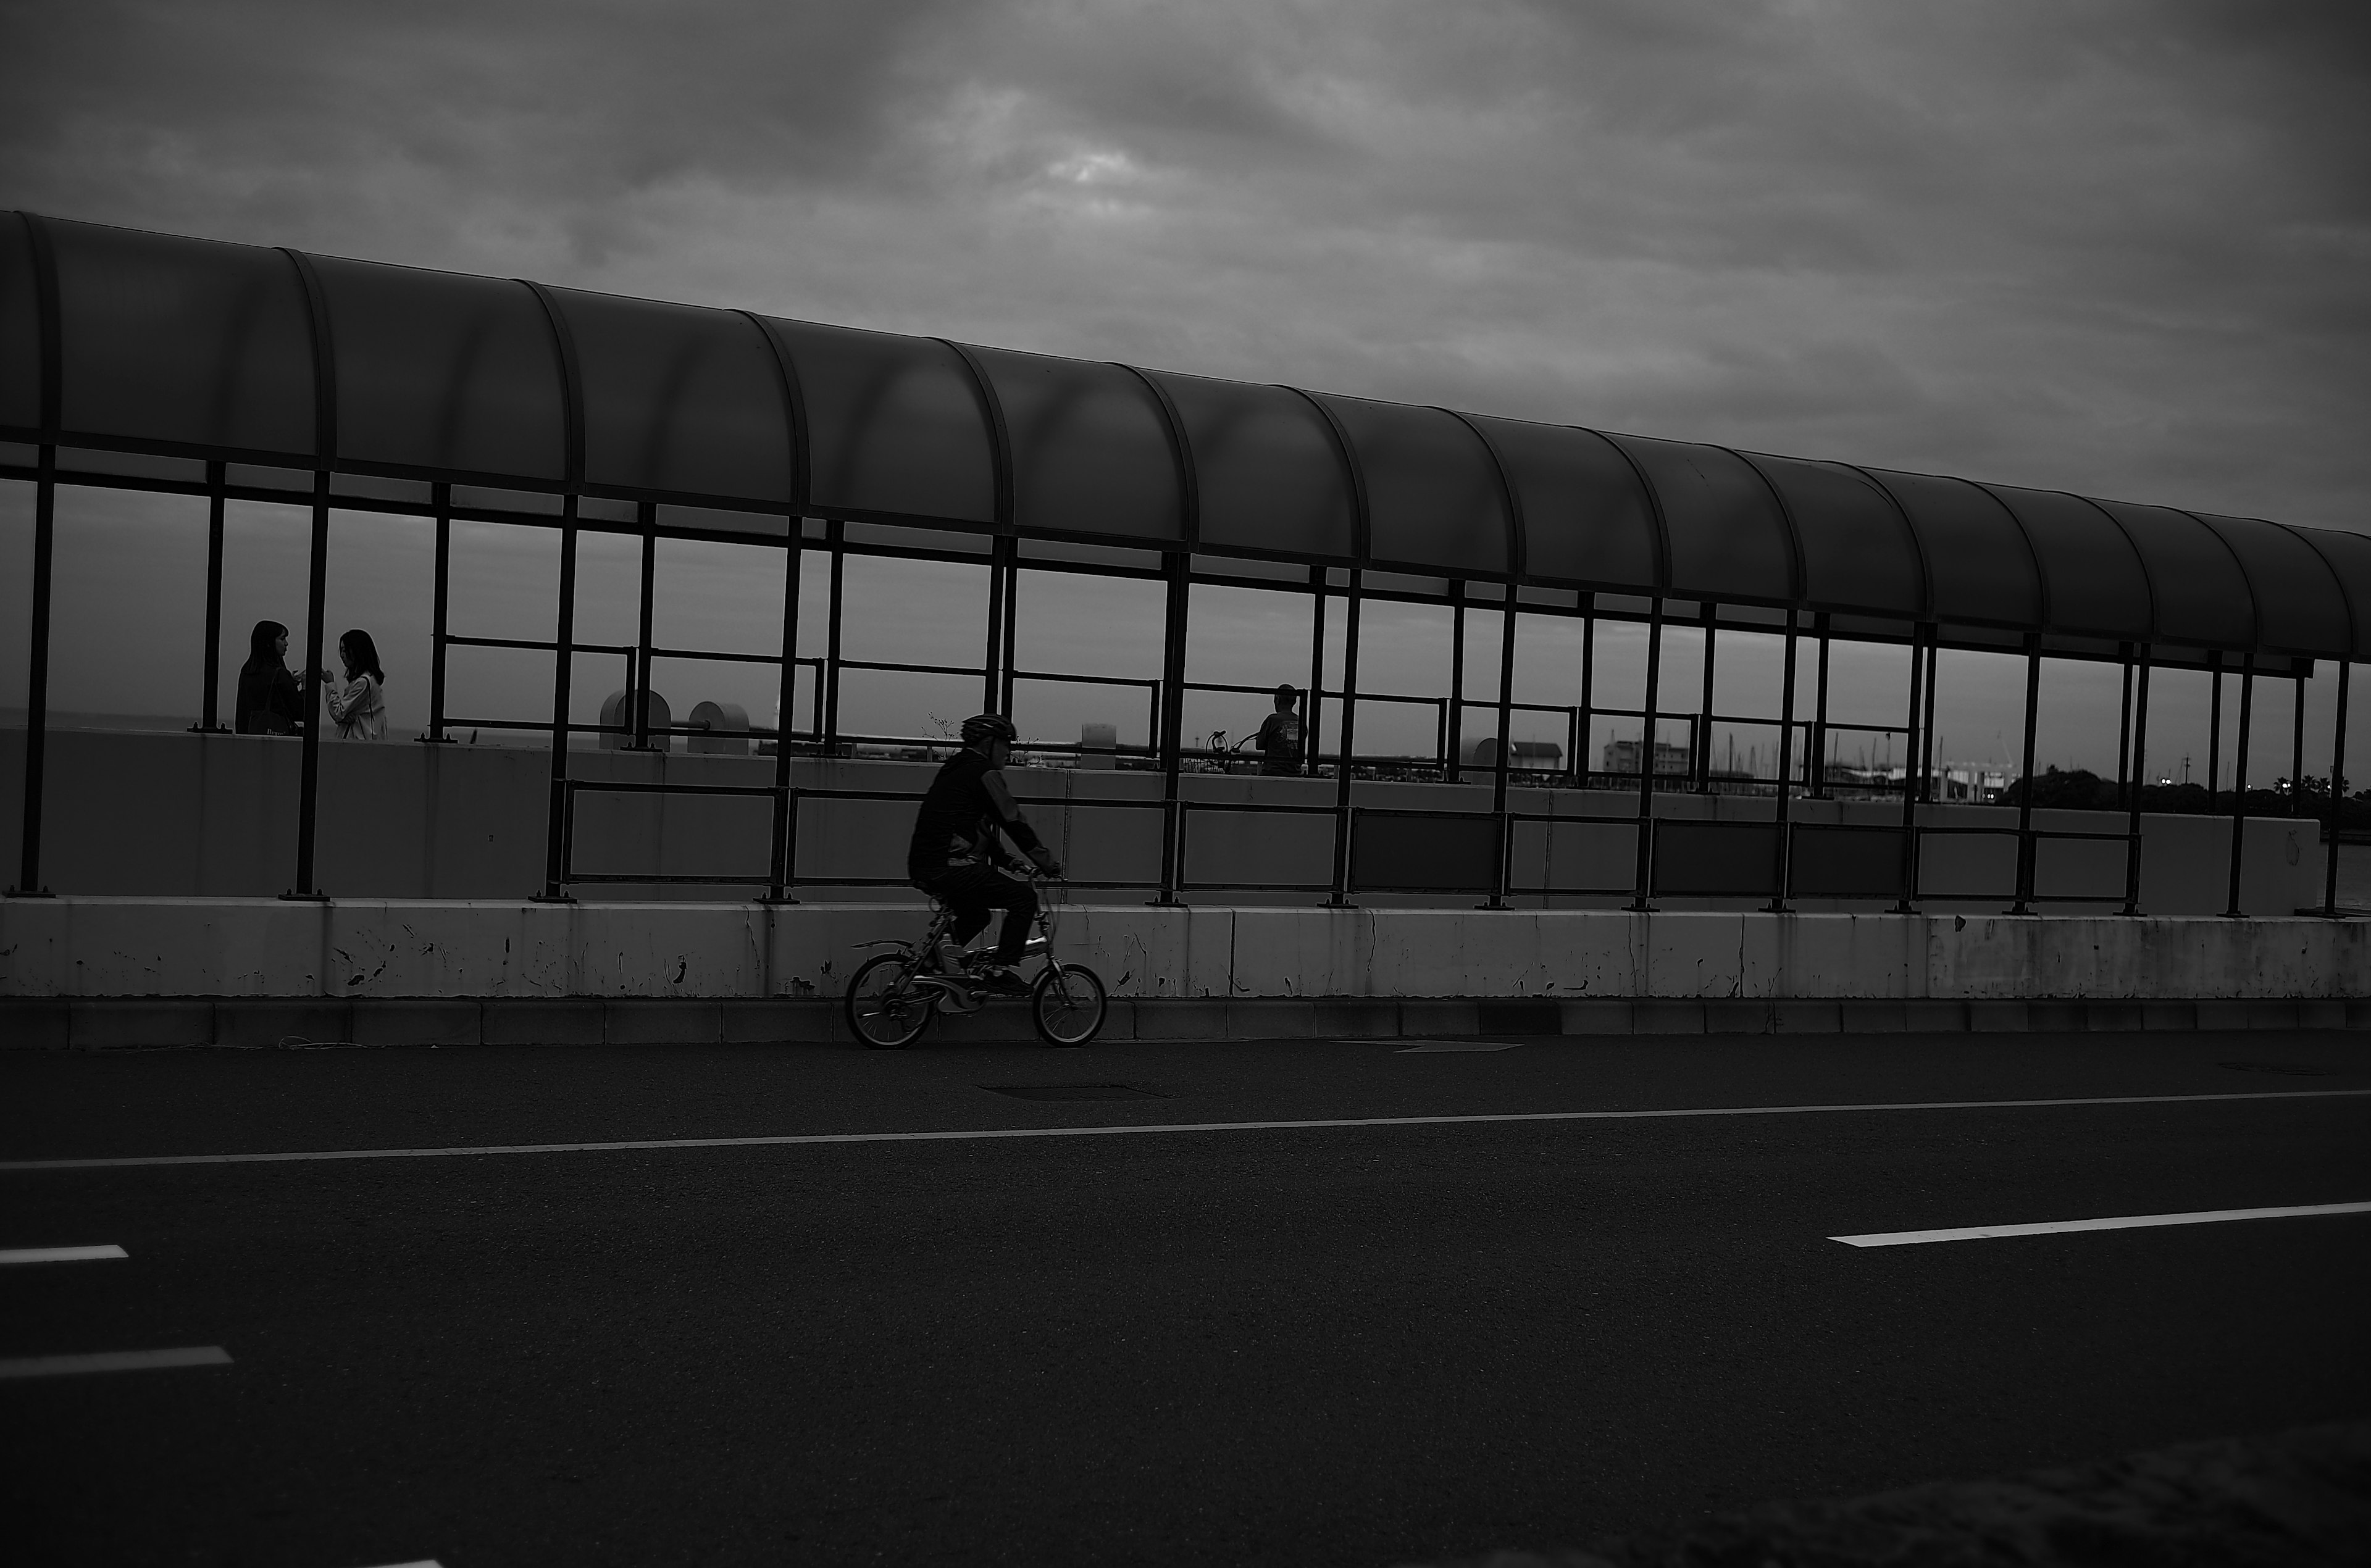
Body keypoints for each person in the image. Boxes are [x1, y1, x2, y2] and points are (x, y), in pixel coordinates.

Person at [906, 714, 1062, 994]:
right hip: (951, 867)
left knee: (977, 916)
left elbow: (974, 828)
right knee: (1024, 899)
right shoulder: (985, 773)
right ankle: (999, 970)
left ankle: (931, 962)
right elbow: (1013, 821)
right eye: (1006, 744)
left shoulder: (955, 768)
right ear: (989, 743)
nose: (1009, 751)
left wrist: (1009, 861)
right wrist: (1047, 863)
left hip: (925, 865)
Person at [233, 620, 304, 735]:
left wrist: (289, 681)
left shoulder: (247, 671)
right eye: (282, 639)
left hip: (247, 740)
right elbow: (300, 712)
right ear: (269, 643)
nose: (286, 643)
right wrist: (305, 687)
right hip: (275, 744)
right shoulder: (280, 674)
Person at [322, 628, 388, 741]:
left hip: (359, 742)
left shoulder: (363, 682)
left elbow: (339, 712)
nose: (342, 655)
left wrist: (330, 684)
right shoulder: (371, 679)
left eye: (345, 650)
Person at [1255, 683, 1303, 775]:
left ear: (1277, 699)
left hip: (1272, 772)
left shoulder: (1272, 720)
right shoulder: (1301, 722)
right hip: (1295, 773)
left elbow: (1259, 745)